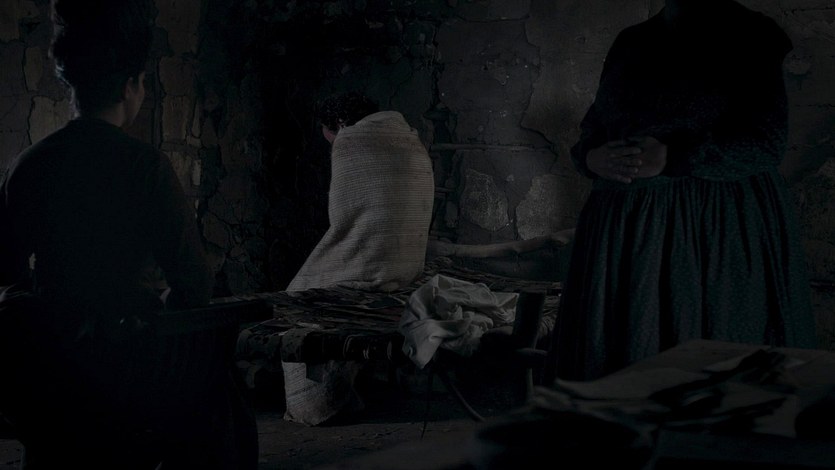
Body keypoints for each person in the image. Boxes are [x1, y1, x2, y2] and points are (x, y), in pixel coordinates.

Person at [0, 0, 257, 468]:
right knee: (220, 384)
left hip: (45, 373)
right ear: (130, 86)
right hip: (127, 373)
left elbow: (7, 276)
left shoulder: (28, 166)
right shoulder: (144, 167)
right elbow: (194, 284)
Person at [546, 0, 818, 382]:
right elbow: (596, 125)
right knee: (617, 361)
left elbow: (765, 142)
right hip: (622, 235)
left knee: (706, 366)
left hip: (709, 231)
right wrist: (592, 157)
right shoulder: (633, 41)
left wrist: (675, 157)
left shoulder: (751, 34)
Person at [274, 92, 435, 425]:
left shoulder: (351, 141)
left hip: (373, 266)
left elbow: (344, 218)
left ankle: (315, 404)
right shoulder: (408, 137)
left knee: (294, 300)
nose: (329, 141)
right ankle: (342, 391)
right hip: (407, 264)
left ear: (339, 123)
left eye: (327, 133)